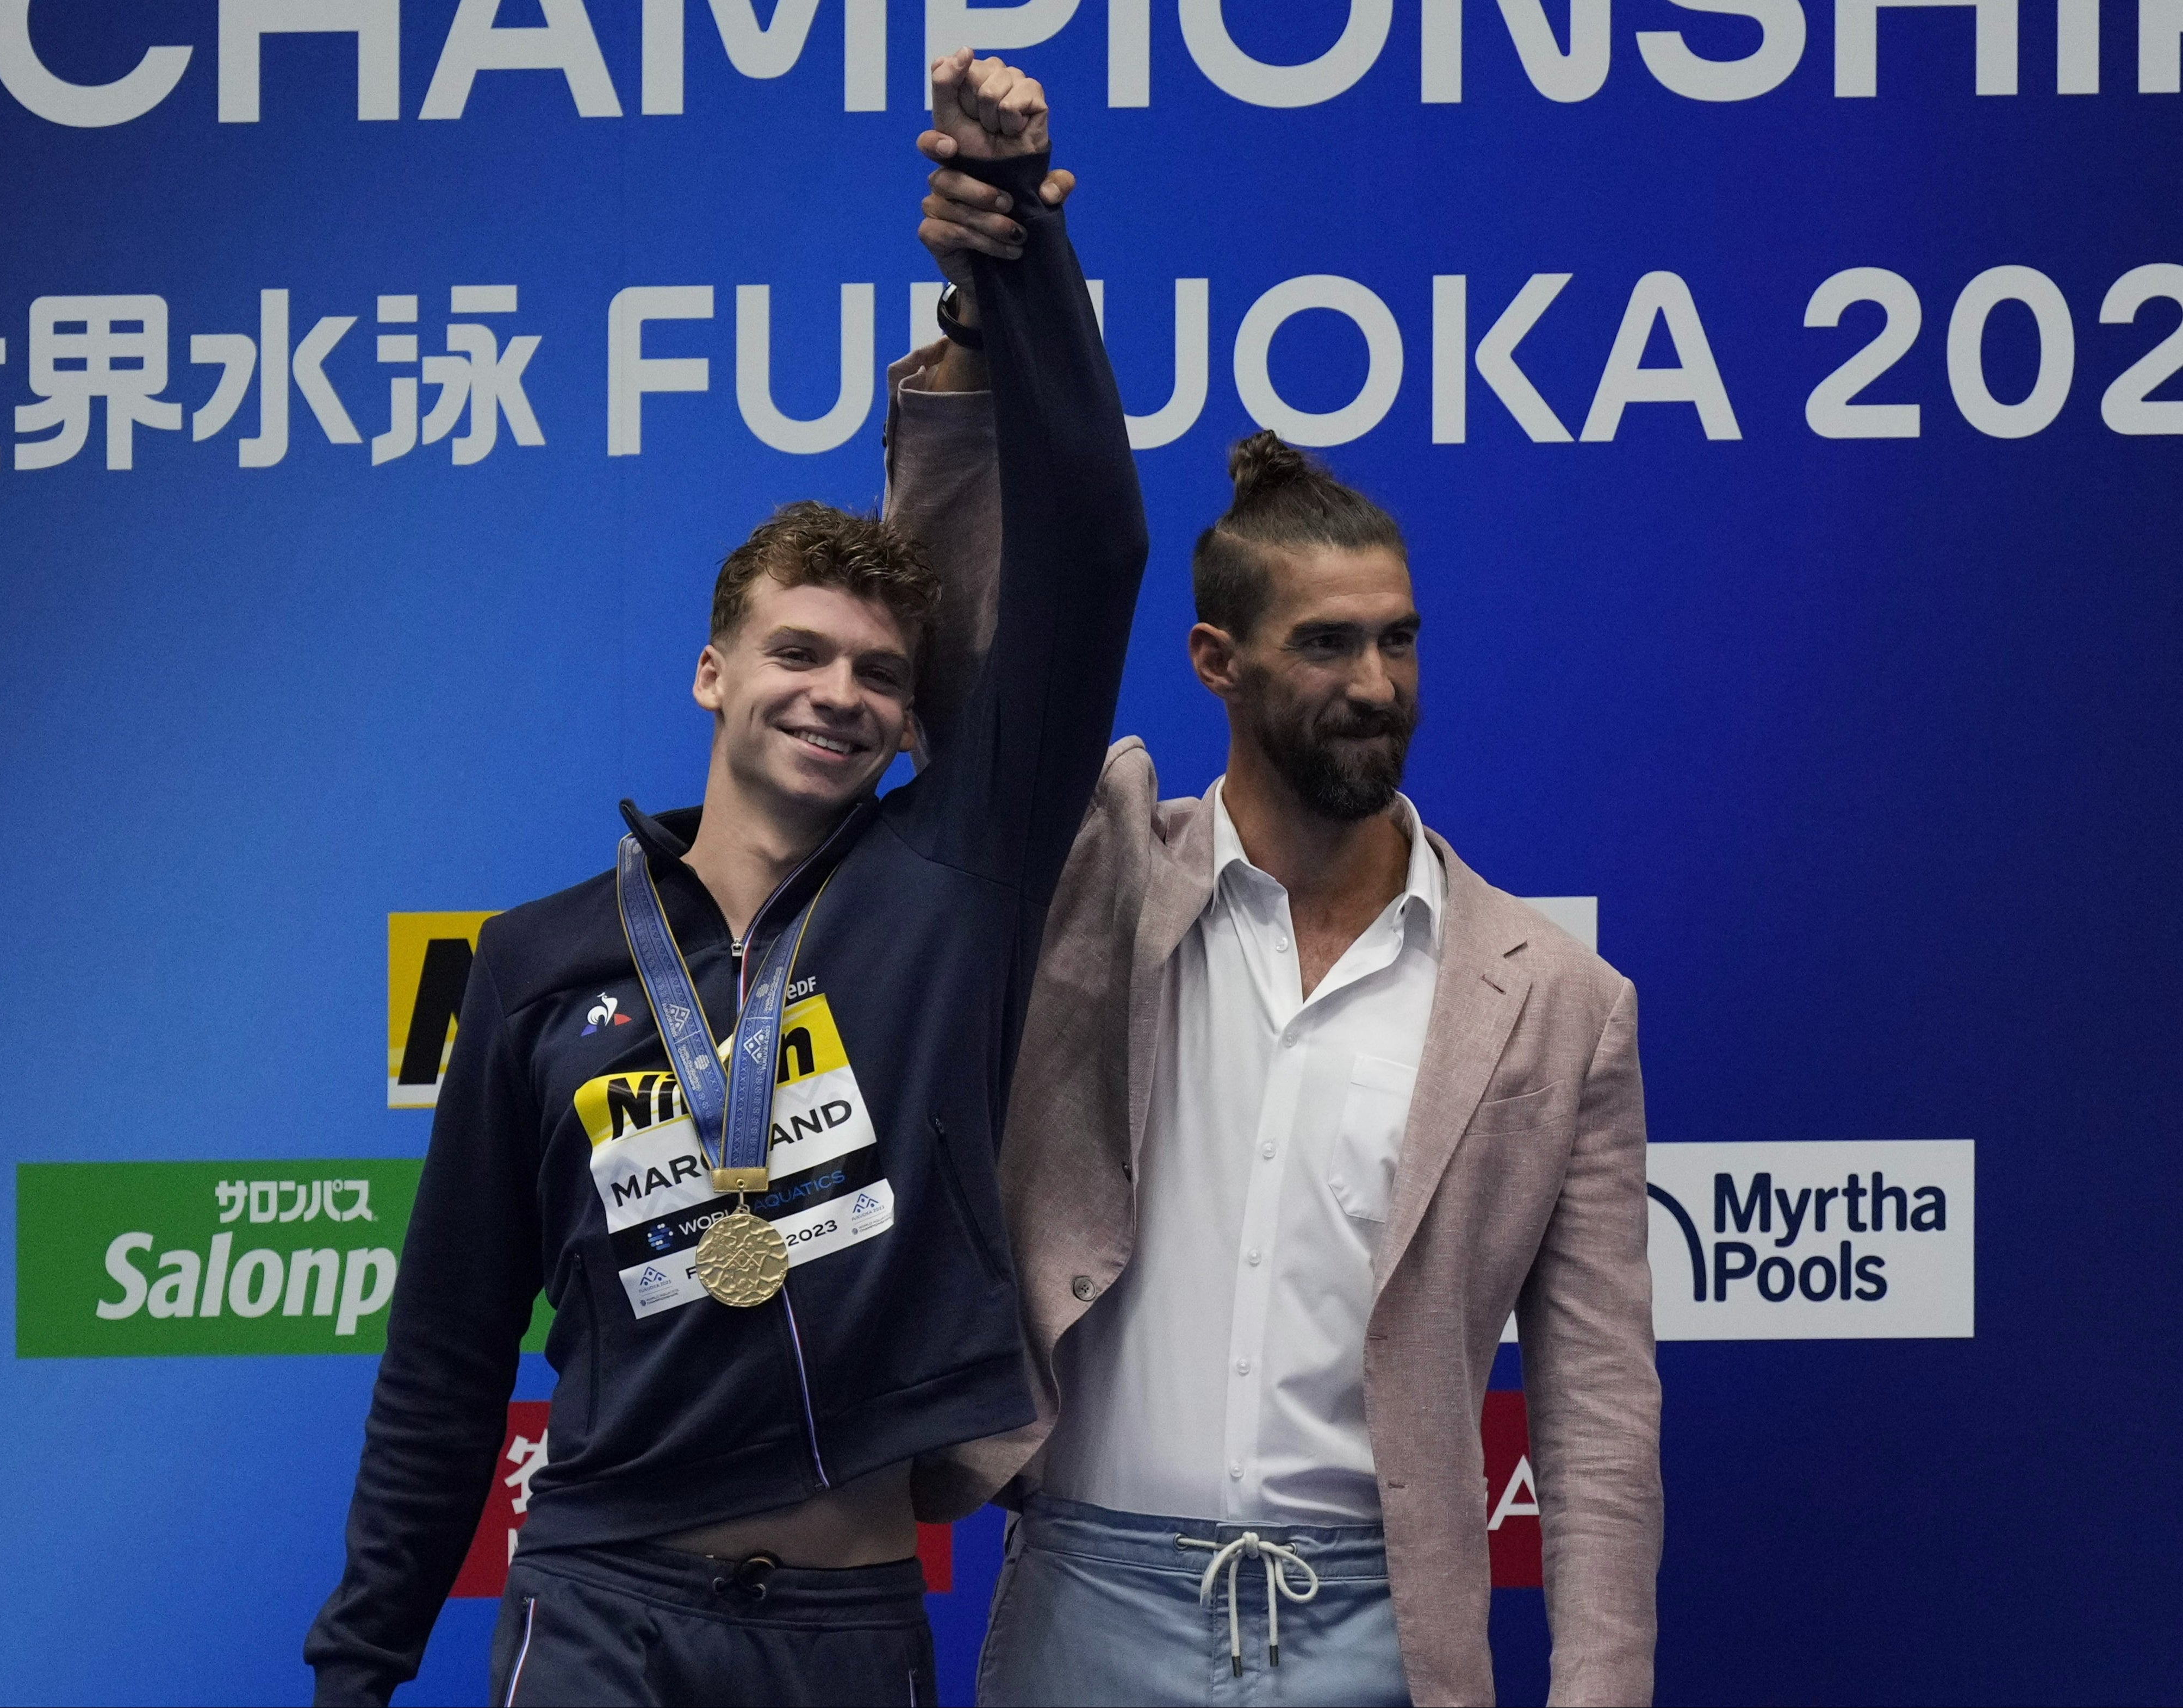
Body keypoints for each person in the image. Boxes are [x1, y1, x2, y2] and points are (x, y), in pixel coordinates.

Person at [303, 52, 1145, 1708]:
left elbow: (1097, 546)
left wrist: (1012, 264)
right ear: (712, 673)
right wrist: (359, 1671)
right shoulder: (541, 962)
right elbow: (452, 1352)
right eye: (799, 651)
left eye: (881, 676)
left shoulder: (950, 880)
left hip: (847, 1626)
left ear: (912, 721)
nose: (839, 693)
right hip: (604, 1600)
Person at [895, 181, 1662, 1707]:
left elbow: (1594, 1403)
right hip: (1087, 1605)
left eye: (1400, 638)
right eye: (1326, 645)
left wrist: (1600, 1690)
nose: (1376, 684)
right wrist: (985, 329)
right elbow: (965, 659)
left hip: (1386, 1626)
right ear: (1216, 663)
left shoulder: (1557, 1003)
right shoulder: (1096, 879)